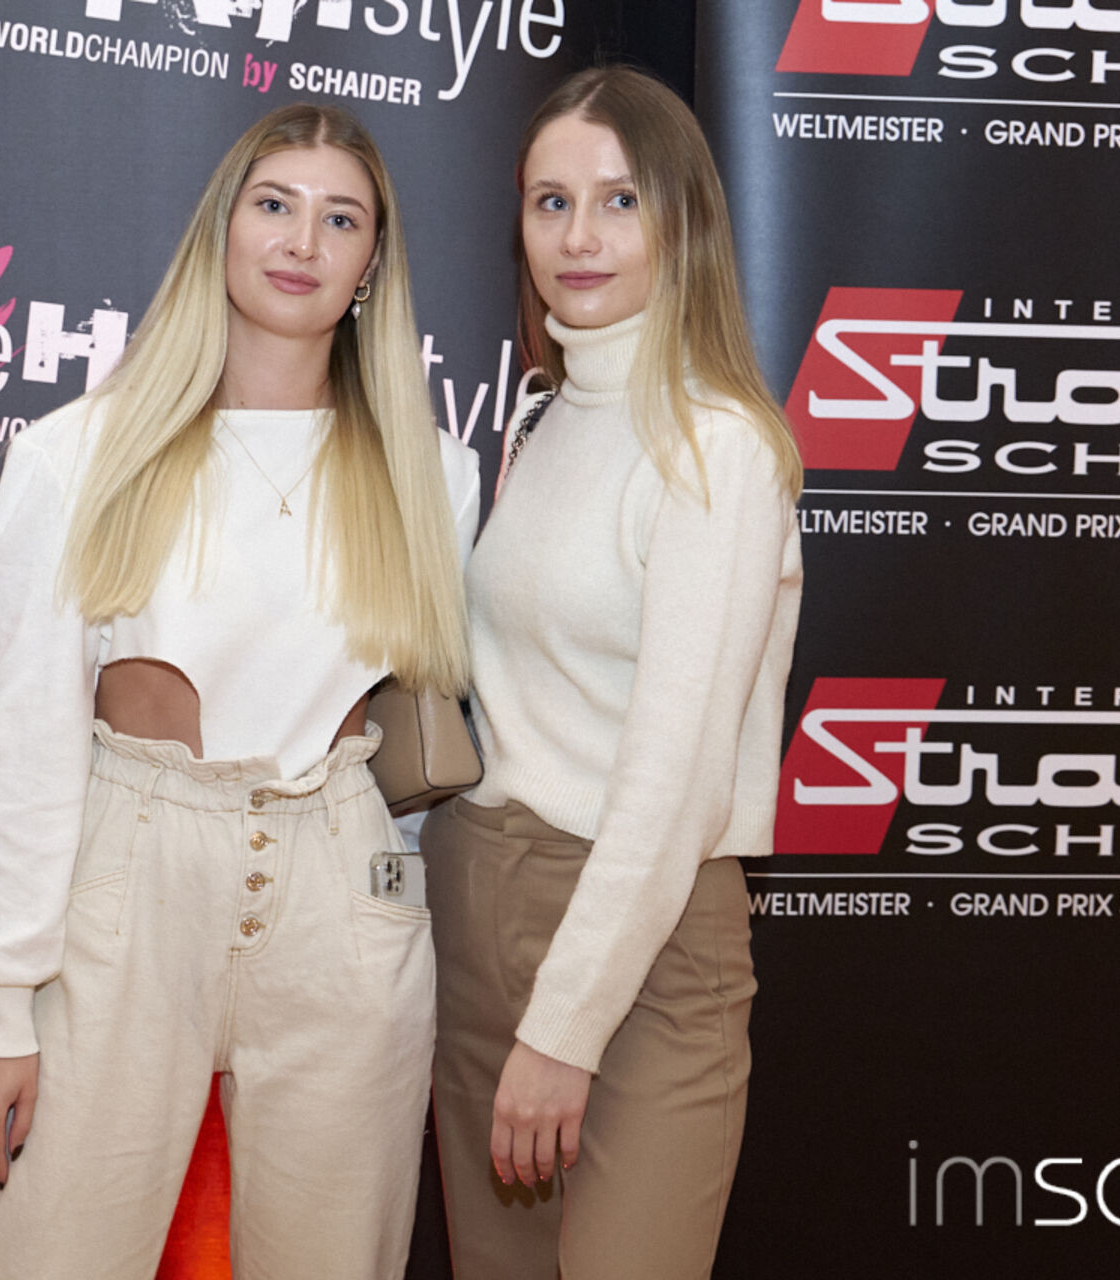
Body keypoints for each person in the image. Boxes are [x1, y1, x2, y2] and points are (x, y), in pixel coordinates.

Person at [0, 103, 480, 1280]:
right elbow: (27, 746)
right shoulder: (78, 454)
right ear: (223, 226)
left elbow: (416, 747)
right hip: (129, 882)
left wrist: (390, 895)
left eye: (342, 219)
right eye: (275, 204)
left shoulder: (436, 474)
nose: (303, 240)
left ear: (372, 263)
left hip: (346, 892)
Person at [422, 66, 804, 1279]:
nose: (578, 236)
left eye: (619, 200)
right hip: (481, 901)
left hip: (648, 940)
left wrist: (565, 1027)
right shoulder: (541, 417)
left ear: (682, 219)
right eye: (551, 202)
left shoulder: (717, 444)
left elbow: (676, 778)